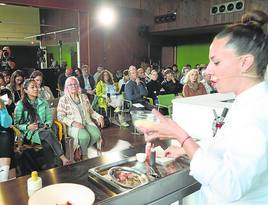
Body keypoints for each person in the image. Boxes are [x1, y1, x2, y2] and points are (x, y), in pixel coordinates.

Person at [140, 10, 268, 204]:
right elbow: (228, 148)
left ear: (245, 63)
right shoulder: (248, 101)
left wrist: (181, 136)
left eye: (216, 62)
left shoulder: (257, 112)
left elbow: (229, 186)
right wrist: (187, 148)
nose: (207, 71)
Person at [14, 79, 71, 168]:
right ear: (25, 90)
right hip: (29, 133)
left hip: (43, 128)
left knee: (47, 140)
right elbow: (16, 124)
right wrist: (28, 126)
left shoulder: (43, 102)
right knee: (48, 133)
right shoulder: (20, 104)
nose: (36, 89)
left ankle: (51, 167)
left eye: (36, 86)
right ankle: (63, 158)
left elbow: (49, 118)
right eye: (32, 87)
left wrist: (47, 124)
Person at [57, 76, 104, 160]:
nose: (73, 86)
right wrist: (73, 123)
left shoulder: (84, 97)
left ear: (78, 86)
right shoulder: (63, 99)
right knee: (85, 137)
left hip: (87, 122)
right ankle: (84, 155)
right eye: (70, 85)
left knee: (96, 134)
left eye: (75, 84)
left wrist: (99, 117)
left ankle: (81, 151)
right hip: (74, 126)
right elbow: (60, 116)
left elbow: (91, 111)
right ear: (66, 87)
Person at [0, 96, 14, 182]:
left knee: (6, 136)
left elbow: (7, 124)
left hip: (3, 133)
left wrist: (3, 110)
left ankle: (3, 179)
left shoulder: (2, 101)